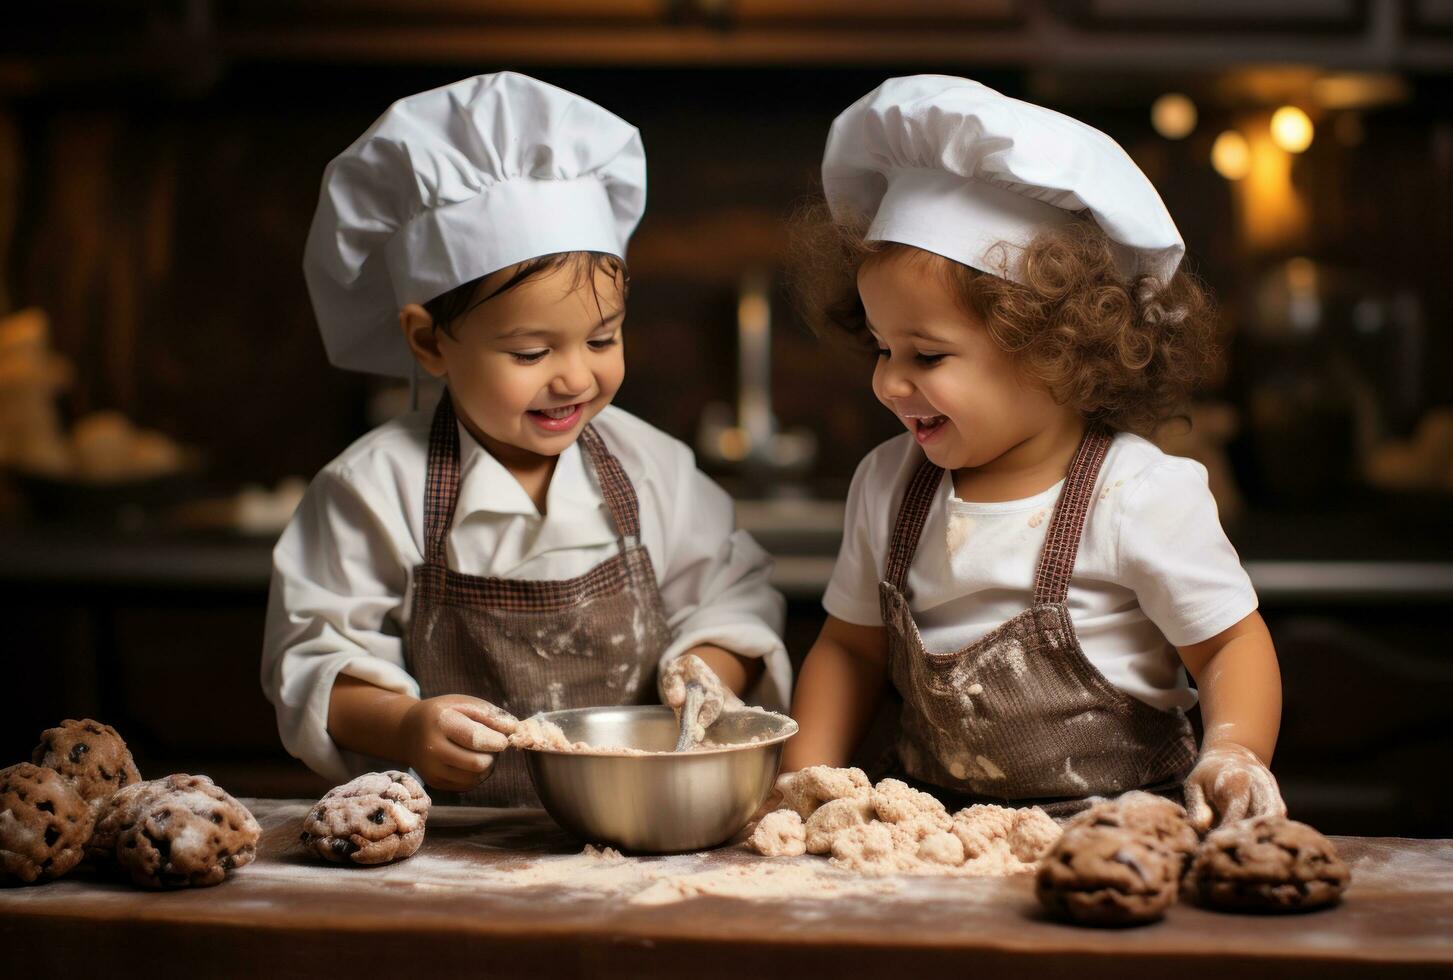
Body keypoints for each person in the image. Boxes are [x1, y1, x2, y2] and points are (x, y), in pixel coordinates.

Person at [262, 72, 789, 805]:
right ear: (428, 342)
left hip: (639, 829)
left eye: (602, 338)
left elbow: (734, 599)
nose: (575, 378)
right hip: (449, 853)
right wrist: (406, 726)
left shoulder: (651, 468)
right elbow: (316, 662)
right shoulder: (373, 488)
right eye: (531, 353)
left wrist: (705, 668)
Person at [782, 75, 1284, 830]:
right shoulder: (887, 485)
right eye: (882, 349)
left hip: (1119, 833)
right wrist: (807, 781)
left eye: (925, 355)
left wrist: (1235, 751)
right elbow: (851, 651)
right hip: (937, 836)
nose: (888, 381)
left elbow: (1227, 645)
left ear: (1053, 350)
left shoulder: (1136, 494)